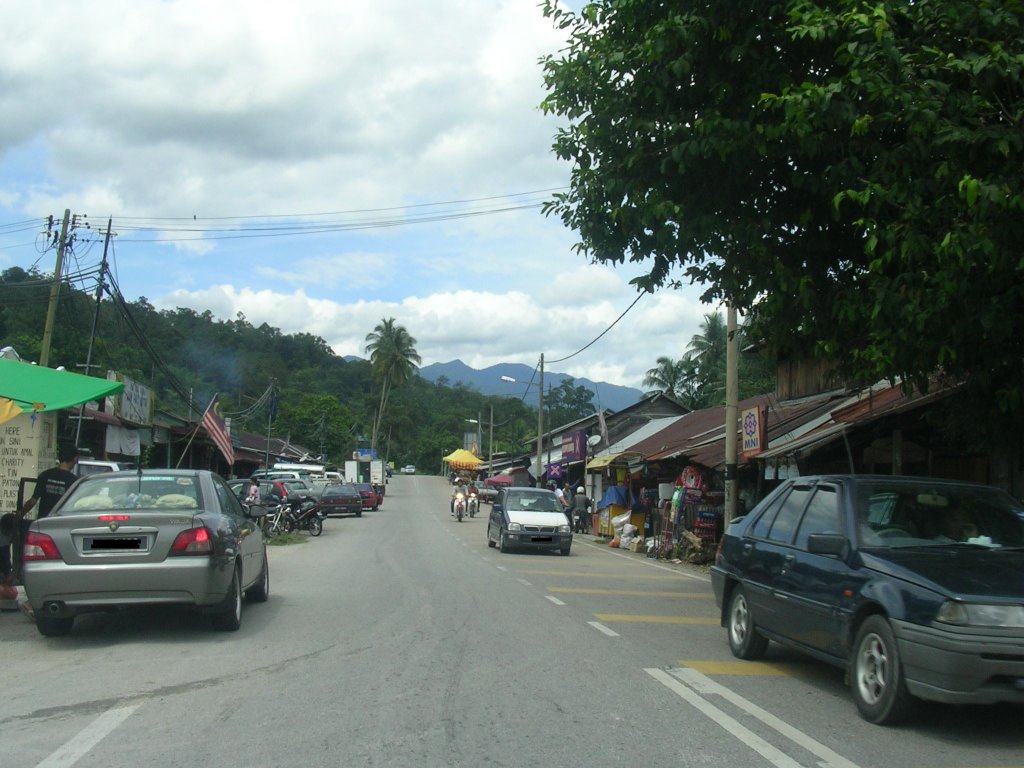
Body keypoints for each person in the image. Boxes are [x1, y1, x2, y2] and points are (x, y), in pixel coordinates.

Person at [13, 443, 79, 587]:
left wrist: (20, 514)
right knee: (59, 559)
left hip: (42, 526)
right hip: (62, 528)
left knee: (38, 559)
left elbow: (32, 501)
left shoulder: (45, 475)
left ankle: (32, 583)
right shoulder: (74, 482)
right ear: (74, 459)